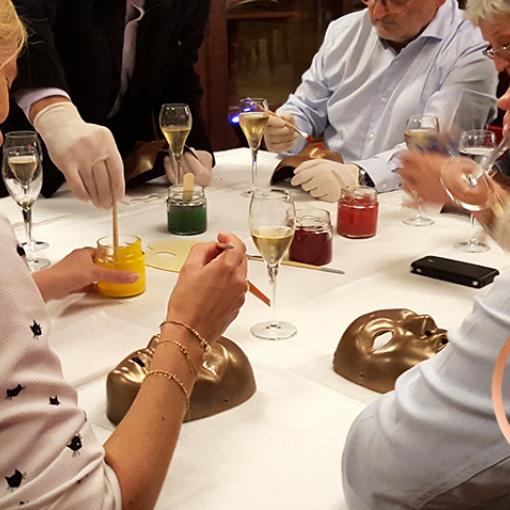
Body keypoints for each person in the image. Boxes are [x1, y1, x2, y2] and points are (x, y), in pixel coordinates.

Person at [0, 3, 248, 507]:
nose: (7, 112)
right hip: (60, 182)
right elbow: (90, 502)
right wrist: (188, 330)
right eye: (3, 83)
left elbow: (180, 72)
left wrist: (35, 285)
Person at [342, 1, 510, 508]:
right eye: (498, 50)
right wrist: (488, 201)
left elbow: (384, 472)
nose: (503, 101)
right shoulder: (341, 35)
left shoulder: (460, 50)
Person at [264, 0, 498, 202]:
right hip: (322, 189)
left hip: (412, 202)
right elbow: (306, 107)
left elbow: (438, 147)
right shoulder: (343, 31)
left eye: (396, 1)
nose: (377, 13)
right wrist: (288, 126)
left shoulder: (477, 43)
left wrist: (360, 175)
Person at [2, 0, 214, 208]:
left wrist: (194, 146)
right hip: (26, 172)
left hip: (120, 179)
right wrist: (54, 114)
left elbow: (179, 70)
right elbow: (19, 17)